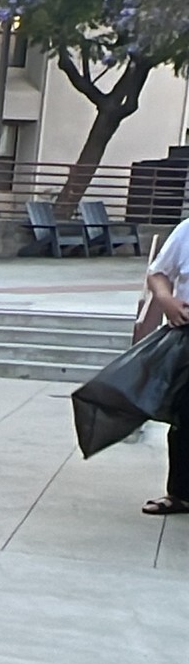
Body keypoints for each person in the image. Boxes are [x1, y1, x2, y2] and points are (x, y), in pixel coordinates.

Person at [143, 215, 189, 515]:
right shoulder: (187, 230)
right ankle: (182, 494)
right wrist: (166, 299)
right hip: (187, 334)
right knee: (185, 416)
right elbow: (158, 272)